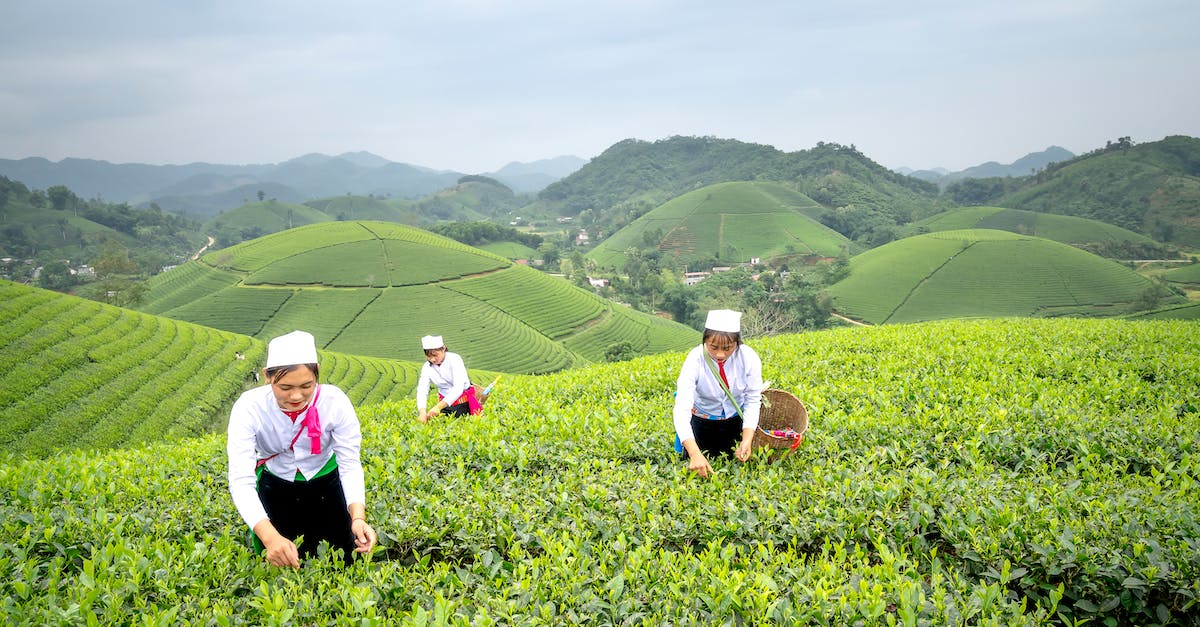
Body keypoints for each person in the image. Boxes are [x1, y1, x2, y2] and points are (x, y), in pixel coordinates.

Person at [226, 330, 377, 568]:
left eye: (307, 385)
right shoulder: (249, 408)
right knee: (285, 563)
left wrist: (358, 517)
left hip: (327, 482)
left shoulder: (335, 402)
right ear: (267, 376)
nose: (297, 396)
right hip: (277, 485)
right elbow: (240, 480)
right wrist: (270, 536)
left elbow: (349, 463)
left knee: (344, 557)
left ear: (317, 371)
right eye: (285, 388)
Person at [672, 309, 764, 477]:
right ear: (704, 340)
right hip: (702, 422)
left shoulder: (748, 358)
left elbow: (752, 399)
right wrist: (694, 453)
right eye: (713, 347)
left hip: (735, 421)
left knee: (736, 465)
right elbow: (681, 409)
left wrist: (747, 439)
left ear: (737, 342)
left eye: (728, 348)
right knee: (698, 469)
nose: (720, 354)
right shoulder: (695, 360)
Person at [415, 335, 481, 423]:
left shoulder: (455, 359)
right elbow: (422, 390)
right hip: (444, 405)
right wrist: (422, 412)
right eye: (428, 356)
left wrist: (437, 407)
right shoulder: (427, 367)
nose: (432, 359)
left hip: (463, 403)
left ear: (443, 349)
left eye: (435, 355)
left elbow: (458, 388)